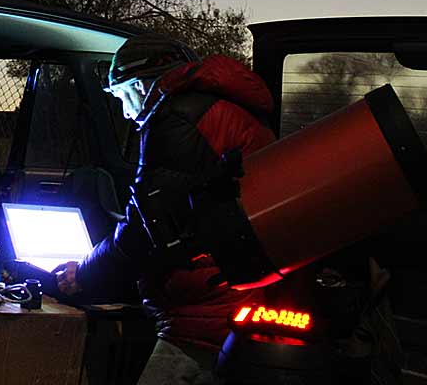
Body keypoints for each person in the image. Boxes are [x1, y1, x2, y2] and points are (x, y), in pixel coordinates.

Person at [57, 35, 276, 385]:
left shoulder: (177, 118)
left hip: (207, 313)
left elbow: (149, 228)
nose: (126, 113)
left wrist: (82, 274)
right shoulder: (219, 109)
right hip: (237, 293)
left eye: (122, 97)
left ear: (140, 84)